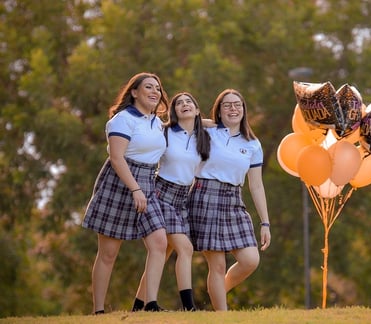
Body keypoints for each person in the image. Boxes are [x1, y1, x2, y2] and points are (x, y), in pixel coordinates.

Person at [82, 72, 169, 314]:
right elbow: (116, 158)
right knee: (109, 253)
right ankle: (98, 311)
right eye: (148, 87)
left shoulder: (157, 122)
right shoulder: (123, 119)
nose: (155, 92)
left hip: (148, 182)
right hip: (121, 182)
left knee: (160, 242)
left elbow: (191, 123)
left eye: (158, 88)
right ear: (134, 92)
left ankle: (150, 304)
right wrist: (135, 189)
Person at [187, 89, 271, 311]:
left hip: (234, 200)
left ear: (244, 110)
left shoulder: (253, 144)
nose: (233, 109)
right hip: (205, 196)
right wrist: (213, 124)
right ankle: (222, 316)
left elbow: (256, 185)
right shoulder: (208, 132)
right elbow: (185, 118)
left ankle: (217, 293)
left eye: (237, 105)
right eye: (227, 105)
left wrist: (265, 222)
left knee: (250, 260)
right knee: (217, 263)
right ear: (219, 110)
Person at [131, 92, 210, 312]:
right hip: (160, 193)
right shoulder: (164, 131)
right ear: (173, 111)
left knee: (162, 255)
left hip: (182, 198)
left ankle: (138, 307)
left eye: (189, 102)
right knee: (185, 248)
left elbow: (218, 124)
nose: (184, 105)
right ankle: (188, 307)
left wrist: (199, 121)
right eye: (179, 103)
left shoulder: (203, 136)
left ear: (196, 109)